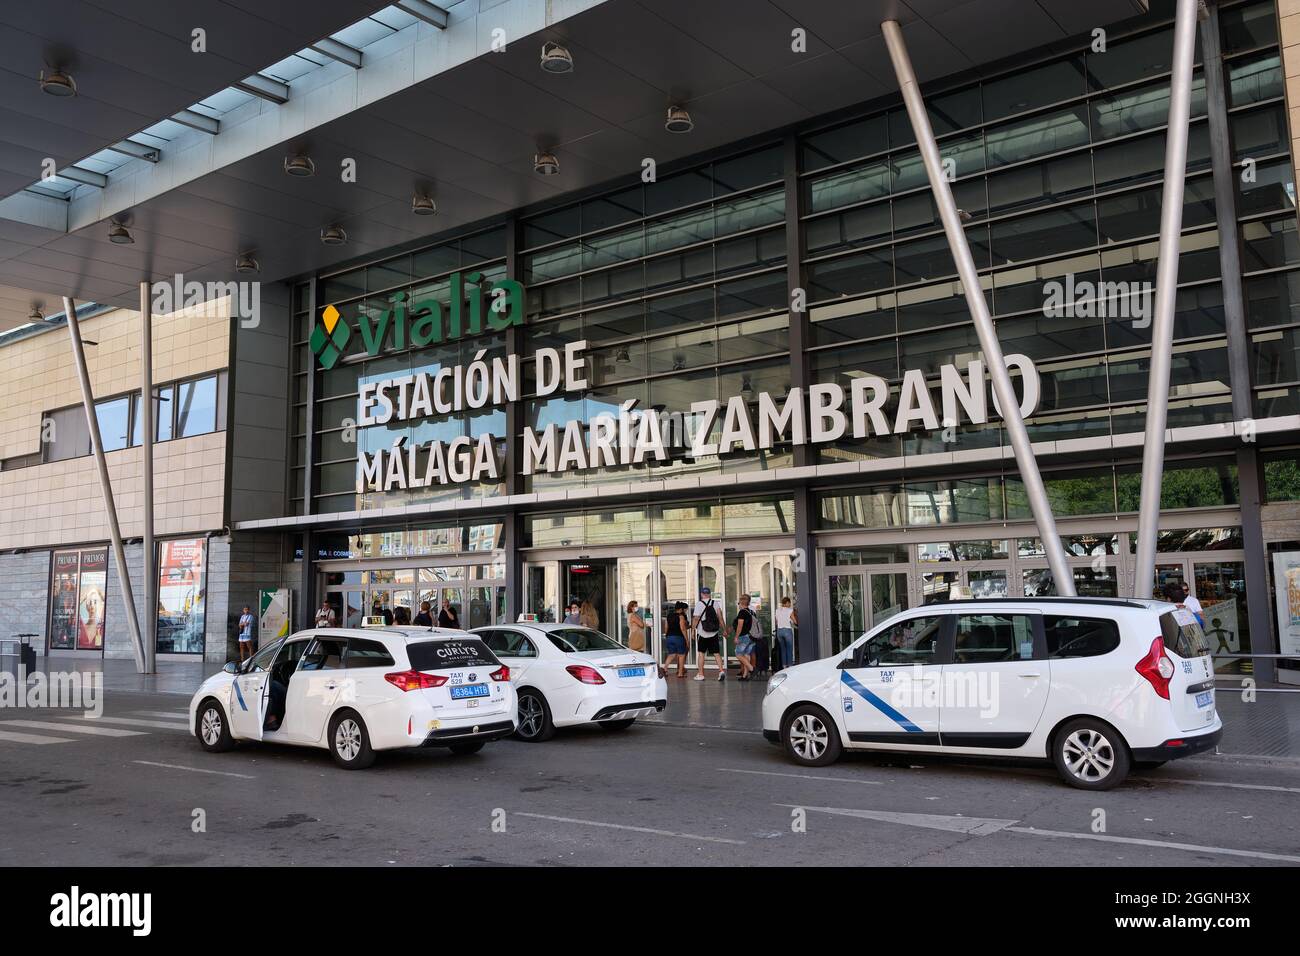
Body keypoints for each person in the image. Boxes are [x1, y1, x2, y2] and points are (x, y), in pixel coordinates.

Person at [691, 586, 728, 682]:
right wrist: (724, 630)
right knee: (716, 653)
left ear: (702, 594)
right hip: (713, 632)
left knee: (701, 654)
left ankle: (701, 674)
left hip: (702, 632)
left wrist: (692, 630)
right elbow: (720, 617)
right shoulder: (715, 603)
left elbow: (695, 618)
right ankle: (721, 671)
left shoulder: (699, 604)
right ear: (709, 594)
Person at [732, 593, 757, 680]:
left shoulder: (742, 612)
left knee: (738, 654)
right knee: (746, 655)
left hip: (744, 637)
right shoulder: (752, 612)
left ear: (741, 603)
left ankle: (752, 669)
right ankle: (745, 676)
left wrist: (736, 637)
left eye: (738, 603)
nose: (738, 605)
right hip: (752, 637)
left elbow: (740, 626)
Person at [664, 601, 689, 678]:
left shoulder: (669, 616)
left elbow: (666, 627)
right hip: (679, 637)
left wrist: (667, 635)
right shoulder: (681, 616)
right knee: (681, 655)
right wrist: (686, 640)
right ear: (681, 609)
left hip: (669, 637)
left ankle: (665, 669)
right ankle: (680, 673)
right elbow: (682, 628)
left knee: (671, 654)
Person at [774, 597, 797, 670]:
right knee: (789, 649)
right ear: (786, 603)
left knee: (783, 649)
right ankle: (790, 666)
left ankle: (784, 666)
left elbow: (777, 622)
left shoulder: (777, 610)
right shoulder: (790, 610)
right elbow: (795, 621)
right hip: (787, 631)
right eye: (789, 603)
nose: (790, 604)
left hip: (779, 631)